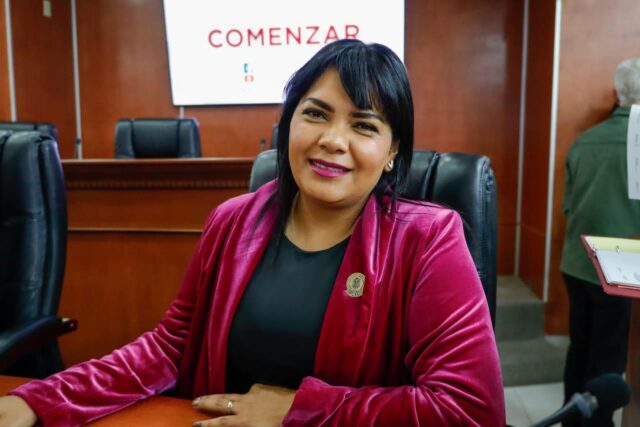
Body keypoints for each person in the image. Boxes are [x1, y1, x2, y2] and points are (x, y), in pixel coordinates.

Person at [0, 39, 504, 427]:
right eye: (315, 114)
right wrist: (41, 399)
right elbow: (169, 349)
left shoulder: (429, 240)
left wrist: (300, 410)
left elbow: (469, 409)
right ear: (289, 125)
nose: (333, 140)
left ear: (393, 151)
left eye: (364, 126)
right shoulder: (232, 221)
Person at [560, 57, 640, 427]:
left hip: (577, 261)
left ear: (616, 93)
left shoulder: (583, 142)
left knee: (579, 349)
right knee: (608, 359)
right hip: (623, 268)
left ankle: (571, 418)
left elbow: (568, 206)